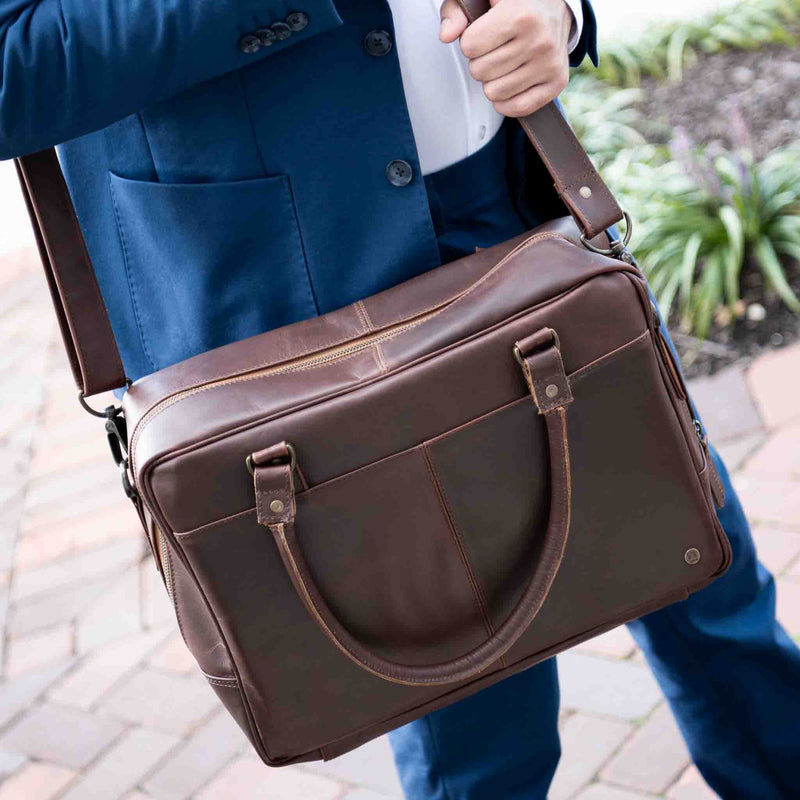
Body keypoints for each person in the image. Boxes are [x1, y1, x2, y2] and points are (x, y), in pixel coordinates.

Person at [2, 1, 798, 797]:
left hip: (515, 202)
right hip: (295, 284)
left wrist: (556, 12)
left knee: (716, 594)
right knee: (482, 732)